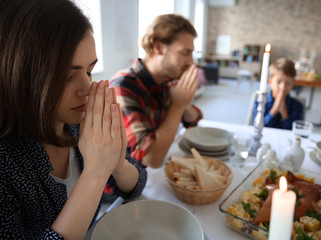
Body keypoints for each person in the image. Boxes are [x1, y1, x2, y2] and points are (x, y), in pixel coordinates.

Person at [0, 0, 147, 239]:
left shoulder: (80, 126)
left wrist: (116, 162)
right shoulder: (8, 162)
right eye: (66, 77)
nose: (87, 88)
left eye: (89, 71)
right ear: (17, 76)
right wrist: (97, 171)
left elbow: (136, 186)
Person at [110, 14, 202, 168]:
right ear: (158, 47)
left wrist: (184, 103)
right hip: (123, 186)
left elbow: (193, 121)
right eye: (185, 52)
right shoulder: (122, 86)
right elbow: (151, 159)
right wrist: (177, 106)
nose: (191, 61)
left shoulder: (167, 80)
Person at [252, 58, 304, 130]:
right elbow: (258, 128)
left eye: (288, 83)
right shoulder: (260, 102)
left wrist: (284, 112)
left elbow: (295, 132)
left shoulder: (297, 106)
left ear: (293, 84)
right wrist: (275, 109)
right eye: (279, 82)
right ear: (270, 82)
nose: (283, 87)